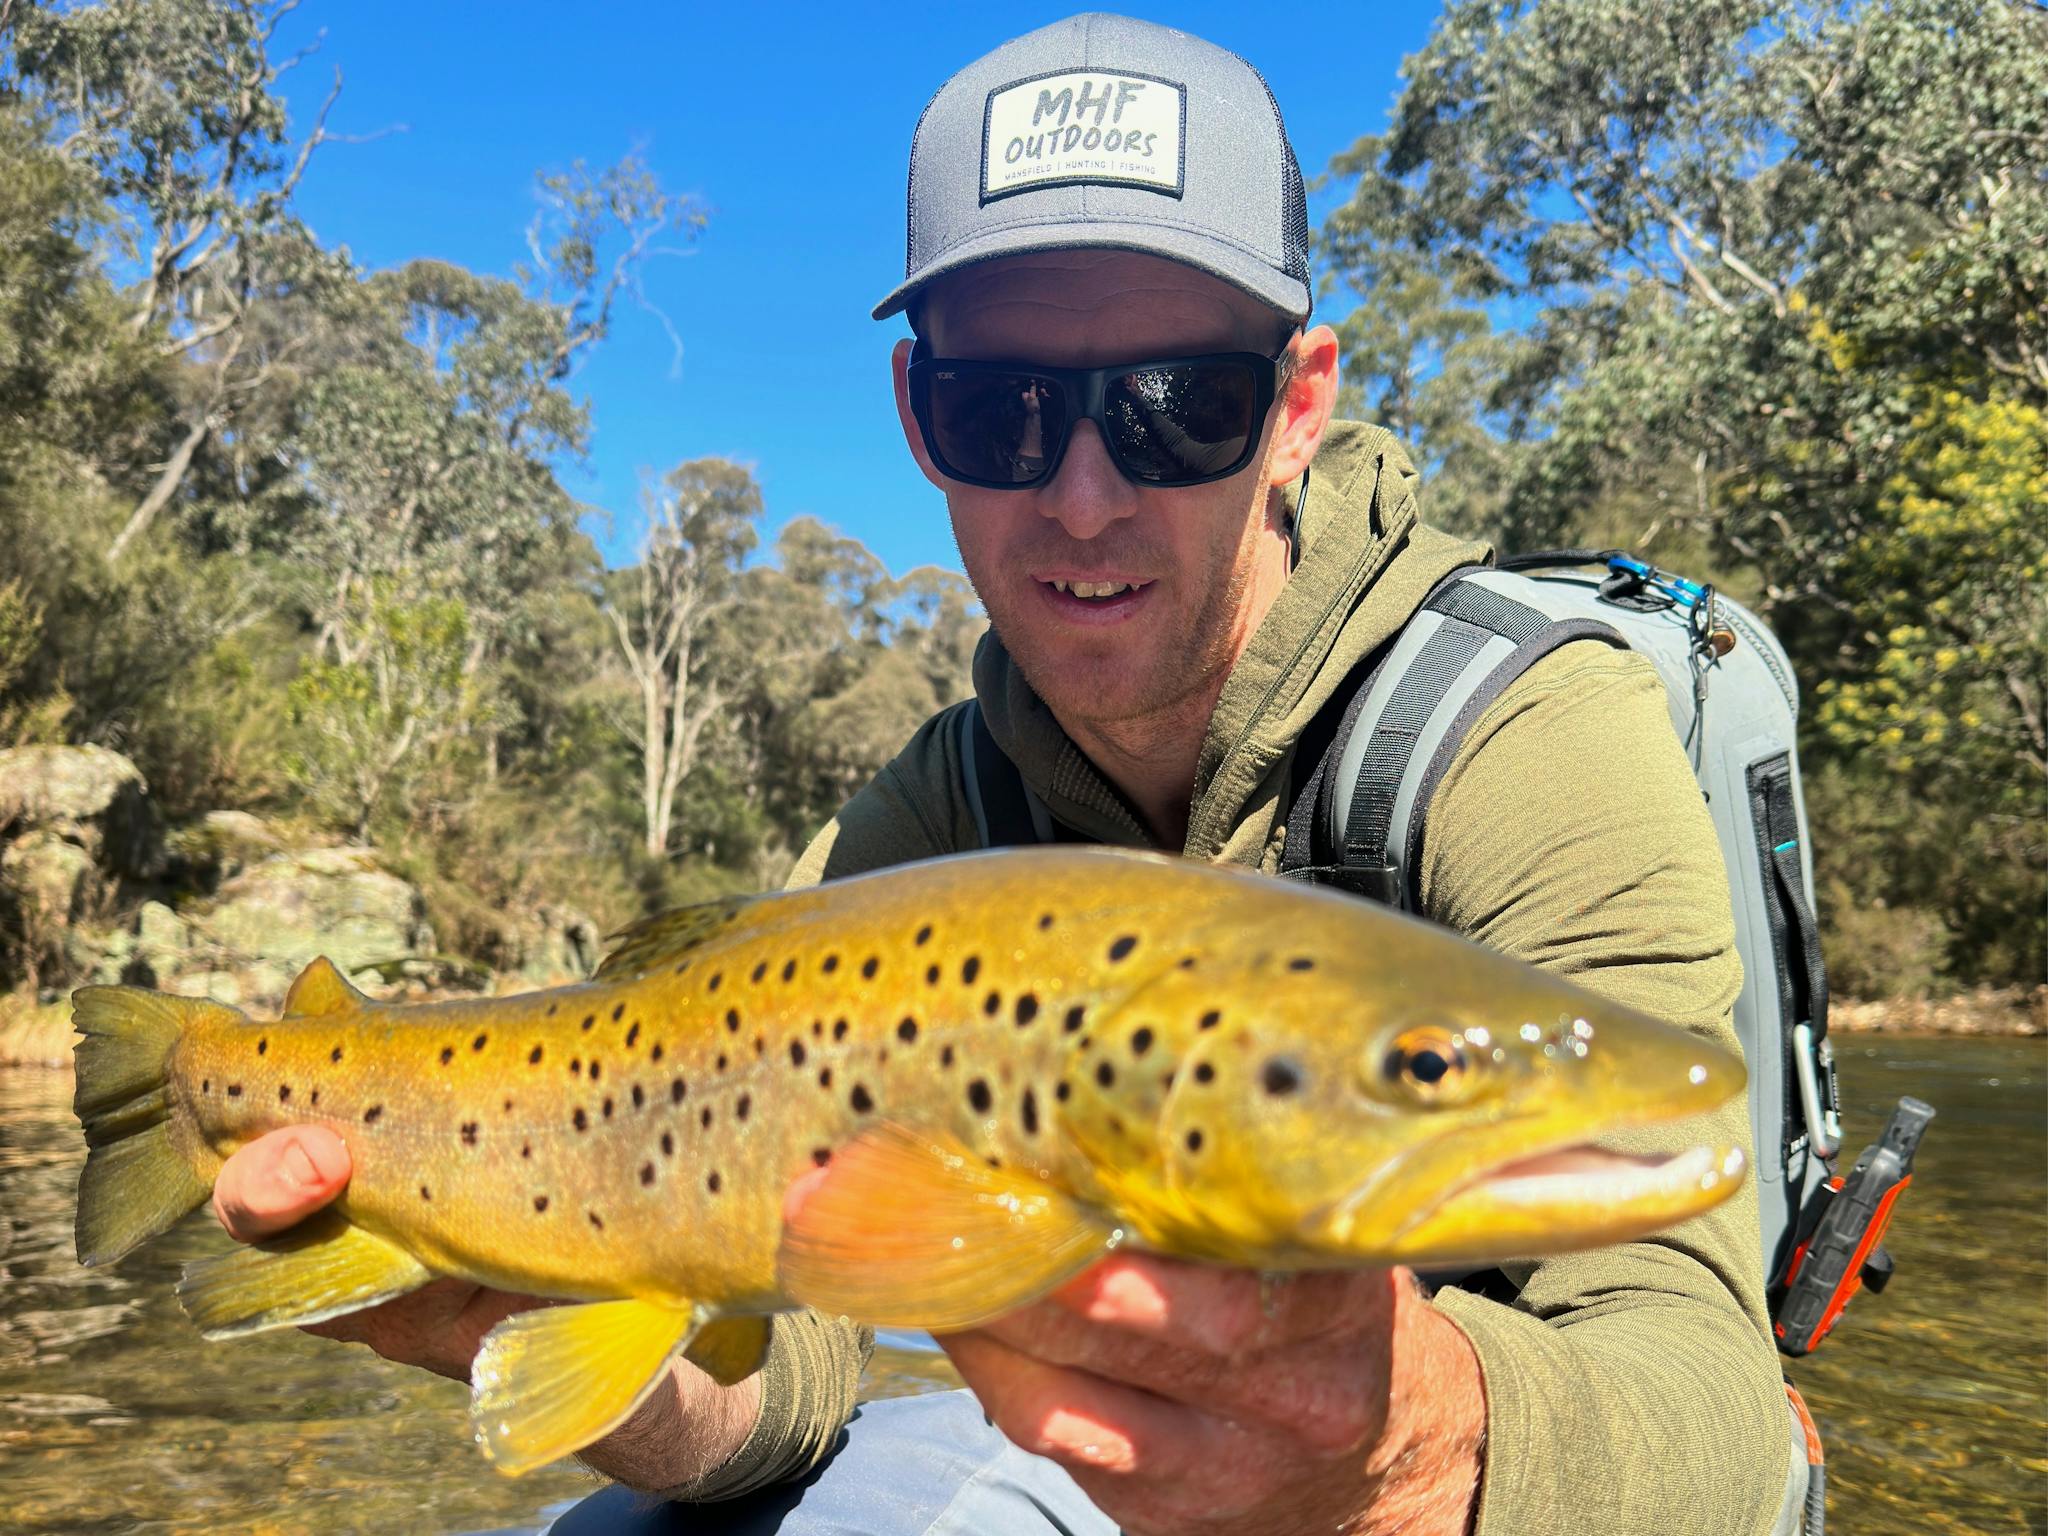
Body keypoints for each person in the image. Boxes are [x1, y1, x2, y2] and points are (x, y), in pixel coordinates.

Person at [210, 15, 1803, 1534]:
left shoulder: (1526, 733)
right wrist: (581, 1340)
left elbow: (1715, 1412)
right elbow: (805, 1358)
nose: (1087, 498)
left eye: (1181, 407)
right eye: (1005, 409)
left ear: (1298, 409)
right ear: (919, 413)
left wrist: (1393, 1466)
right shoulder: (926, 825)